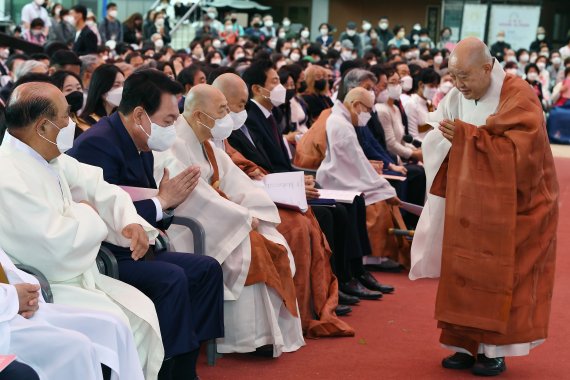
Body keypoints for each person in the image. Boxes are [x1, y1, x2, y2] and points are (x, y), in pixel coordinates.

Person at [410, 37, 558, 377]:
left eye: (465, 77)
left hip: (513, 207)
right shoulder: (458, 94)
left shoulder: (518, 95)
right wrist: (439, 131)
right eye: (453, 77)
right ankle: (463, 345)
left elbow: (525, 154)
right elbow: (439, 124)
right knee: (462, 274)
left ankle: (493, 351)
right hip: (469, 203)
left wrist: (466, 137)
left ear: (488, 68)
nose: (459, 85)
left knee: (498, 278)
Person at [0, 81, 164, 378]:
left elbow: (98, 186)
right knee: (118, 322)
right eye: (65, 116)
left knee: (141, 317)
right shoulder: (8, 174)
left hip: (80, 273)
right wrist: (88, 213)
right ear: (42, 127)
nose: (70, 122)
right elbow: (53, 245)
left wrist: (128, 220)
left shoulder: (48, 156)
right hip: (50, 283)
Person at [68, 69, 224, 380]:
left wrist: (167, 204)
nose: (172, 129)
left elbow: (150, 203)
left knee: (207, 269)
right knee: (171, 278)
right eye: (168, 121)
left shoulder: (138, 141)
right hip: (106, 254)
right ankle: (168, 369)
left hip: (141, 246)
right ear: (140, 114)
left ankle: (185, 357)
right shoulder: (97, 145)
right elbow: (102, 215)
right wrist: (162, 202)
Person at [155, 83, 305, 356]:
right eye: (222, 110)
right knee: (253, 248)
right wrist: (242, 217)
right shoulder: (174, 144)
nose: (227, 117)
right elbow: (195, 196)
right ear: (199, 115)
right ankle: (245, 339)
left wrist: (252, 210)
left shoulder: (207, 143)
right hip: (194, 228)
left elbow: (237, 182)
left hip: (222, 218)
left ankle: (265, 334)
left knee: (272, 237)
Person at [212, 72, 364, 332]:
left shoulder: (229, 130)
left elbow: (250, 169)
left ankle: (324, 293)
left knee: (310, 217)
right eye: (234, 106)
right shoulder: (210, 133)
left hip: (258, 193)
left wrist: (283, 184)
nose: (240, 111)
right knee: (298, 224)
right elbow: (223, 183)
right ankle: (299, 307)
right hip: (234, 208)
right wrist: (275, 187)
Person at [0, 246, 145, 380]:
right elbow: (56, 252)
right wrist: (13, 297)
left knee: (114, 326)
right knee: (76, 348)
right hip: (11, 310)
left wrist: (27, 295)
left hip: (13, 303)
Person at [316, 87, 409, 266]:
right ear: (356, 105)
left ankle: (359, 269)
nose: (368, 114)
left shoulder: (341, 120)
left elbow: (357, 160)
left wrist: (382, 187)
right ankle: (354, 270)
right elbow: (356, 163)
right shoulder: (340, 124)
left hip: (340, 178)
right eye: (367, 109)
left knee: (360, 201)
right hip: (334, 181)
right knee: (359, 203)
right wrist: (385, 190)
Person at [376, 69, 423, 163]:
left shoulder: (396, 108)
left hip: (402, 156)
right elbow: (391, 144)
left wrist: (416, 150)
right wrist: (414, 154)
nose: (397, 86)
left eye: (399, 82)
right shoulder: (381, 109)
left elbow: (402, 140)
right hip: (392, 159)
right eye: (393, 82)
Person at [49, 70, 90, 136]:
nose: (76, 92)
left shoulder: (81, 121)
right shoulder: (55, 128)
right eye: (69, 89)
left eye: (79, 88)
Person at [405, 68, 440, 141]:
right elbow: (413, 136)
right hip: (420, 146)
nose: (435, 90)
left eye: (436, 86)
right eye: (431, 86)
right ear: (421, 84)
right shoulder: (411, 104)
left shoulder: (429, 104)